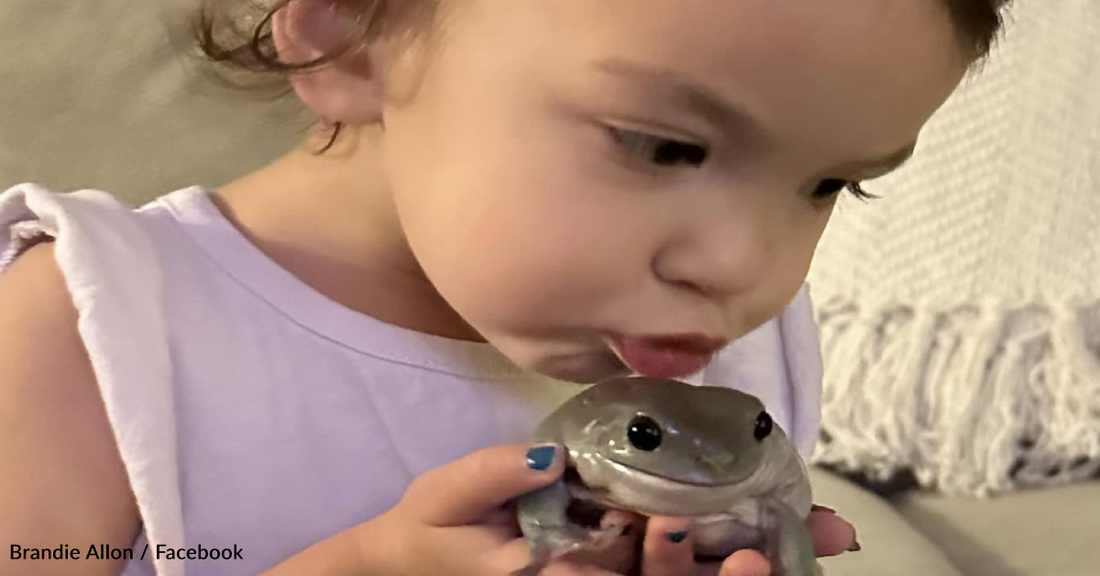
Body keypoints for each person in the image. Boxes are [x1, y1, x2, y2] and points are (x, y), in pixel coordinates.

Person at [0, 0, 1009, 575]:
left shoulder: (728, 361)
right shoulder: (94, 330)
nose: (748, 267)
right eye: (665, 145)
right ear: (351, 35)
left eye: (827, 183)